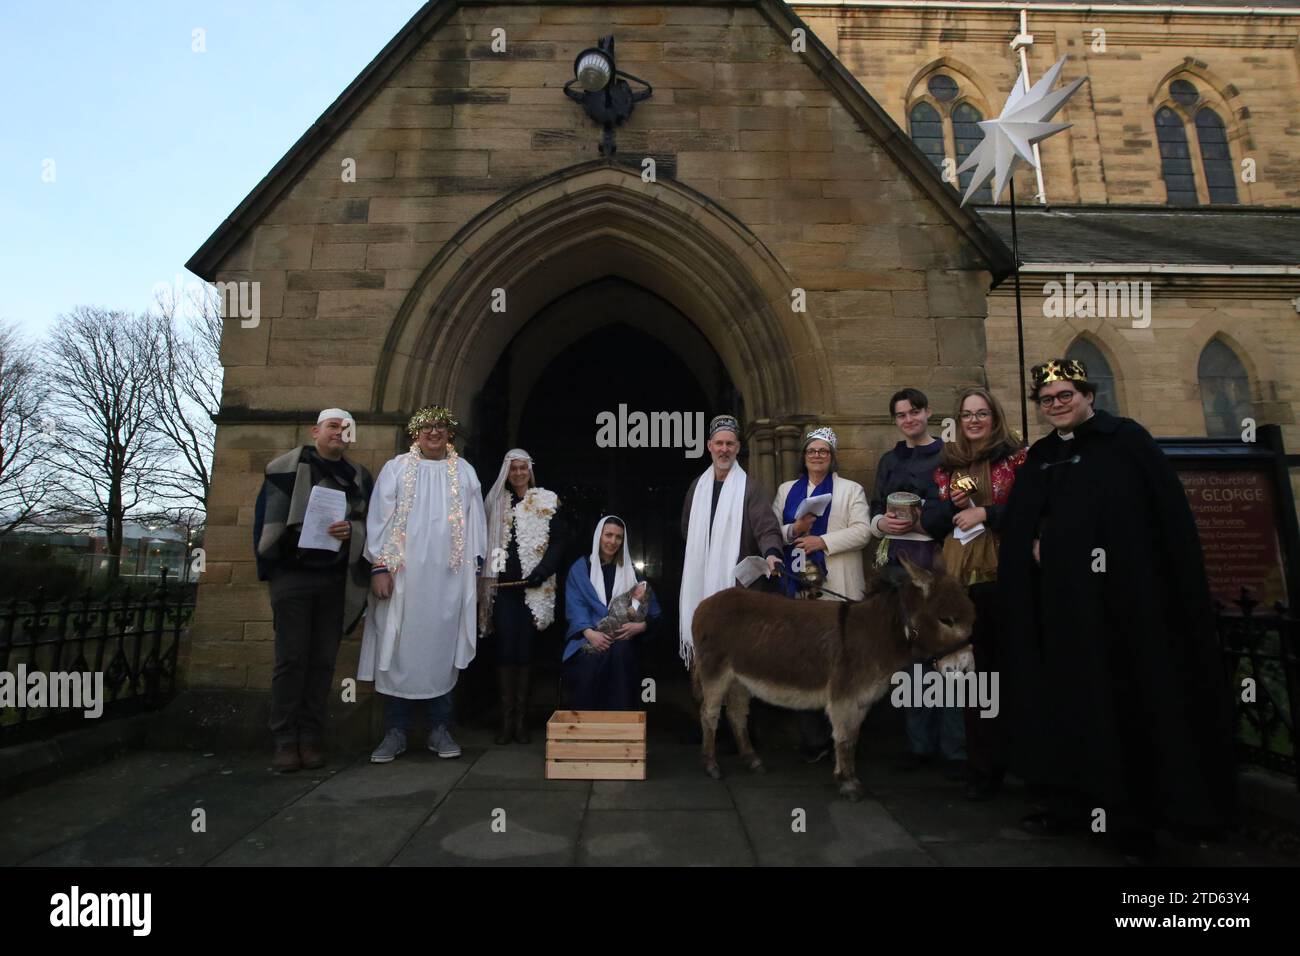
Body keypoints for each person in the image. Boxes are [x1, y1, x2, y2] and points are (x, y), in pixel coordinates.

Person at [998, 359, 1234, 855]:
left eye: (1065, 396)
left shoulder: (1125, 442)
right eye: (1047, 400)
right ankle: (1067, 803)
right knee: (1063, 707)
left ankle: (1134, 820)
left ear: (1088, 394)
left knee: (1122, 709)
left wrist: (1058, 541)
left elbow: (1135, 523)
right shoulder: (1040, 455)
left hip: (1118, 614)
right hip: (1057, 615)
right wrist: (1032, 541)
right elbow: (1022, 522)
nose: (1056, 405)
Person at [359, 406, 487, 763]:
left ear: (450, 434)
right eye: (427, 427)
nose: (434, 432)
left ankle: (439, 728)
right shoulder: (396, 468)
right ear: (415, 432)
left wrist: (475, 569)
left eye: (441, 427)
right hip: (403, 577)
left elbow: (476, 521)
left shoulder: (464, 471)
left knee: (440, 651)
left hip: (448, 578)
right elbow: (380, 519)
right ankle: (395, 731)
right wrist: (379, 567)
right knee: (398, 647)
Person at [254, 408, 374, 773]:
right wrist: (272, 567)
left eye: (345, 428)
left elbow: (370, 523)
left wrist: (353, 532)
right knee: (291, 659)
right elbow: (266, 520)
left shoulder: (358, 477)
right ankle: (285, 739)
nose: (339, 433)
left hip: (334, 579)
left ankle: (310, 737)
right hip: (294, 576)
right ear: (316, 430)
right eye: (333, 427)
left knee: (322, 661)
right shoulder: (285, 468)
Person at [922, 387, 1027, 800]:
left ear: (994, 416)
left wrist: (987, 512)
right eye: (967, 415)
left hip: (1002, 576)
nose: (975, 421)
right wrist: (953, 507)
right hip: (959, 582)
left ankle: (1017, 759)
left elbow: (1028, 512)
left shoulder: (1017, 459)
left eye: (982, 413)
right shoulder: (946, 467)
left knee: (1005, 671)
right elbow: (930, 522)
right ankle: (981, 766)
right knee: (969, 676)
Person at [869, 388, 966, 778]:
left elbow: (955, 504)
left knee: (948, 657)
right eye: (901, 415)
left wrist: (922, 521)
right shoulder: (889, 460)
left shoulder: (947, 456)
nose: (908, 420)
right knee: (911, 662)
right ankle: (918, 744)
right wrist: (883, 524)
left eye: (914, 413)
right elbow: (876, 505)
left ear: (927, 413)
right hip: (897, 567)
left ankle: (955, 749)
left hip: (937, 567)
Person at [773, 426, 870, 762]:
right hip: (799, 590)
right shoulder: (787, 490)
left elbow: (863, 531)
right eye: (812, 451)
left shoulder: (850, 490)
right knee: (805, 663)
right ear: (803, 456)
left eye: (823, 452)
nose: (817, 456)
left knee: (843, 664)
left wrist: (822, 541)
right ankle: (814, 740)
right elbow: (773, 531)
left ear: (832, 457)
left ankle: (845, 736)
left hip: (837, 587)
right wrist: (794, 531)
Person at [679, 414, 784, 669]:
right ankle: (707, 707)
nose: (724, 449)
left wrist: (771, 553)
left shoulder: (750, 488)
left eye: (729, 444)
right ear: (709, 446)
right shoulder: (697, 487)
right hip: (700, 580)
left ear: (737, 447)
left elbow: (766, 527)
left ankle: (736, 709)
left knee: (736, 658)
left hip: (736, 585)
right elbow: (685, 529)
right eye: (719, 444)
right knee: (703, 656)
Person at [480, 448, 565, 744]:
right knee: (505, 649)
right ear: (506, 471)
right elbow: (487, 542)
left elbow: (558, 542)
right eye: (513, 468)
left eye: (523, 468)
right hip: (504, 590)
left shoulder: (546, 500)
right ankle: (507, 718)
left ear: (530, 470)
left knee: (526, 650)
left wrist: (543, 570)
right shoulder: (496, 503)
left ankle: (522, 719)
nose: (518, 473)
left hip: (534, 587)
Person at [562, 516, 661, 710]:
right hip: (588, 636)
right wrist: (590, 633)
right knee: (590, 659)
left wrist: (641, 626)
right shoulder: (581, 568)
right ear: (599, 536)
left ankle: (621, 726)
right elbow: (576, 606)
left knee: (621, 654)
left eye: (618, 537)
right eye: (608, 535)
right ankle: (586, 727)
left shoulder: (631, 573)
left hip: (622, 638)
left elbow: (653, 610)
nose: (612, 542)